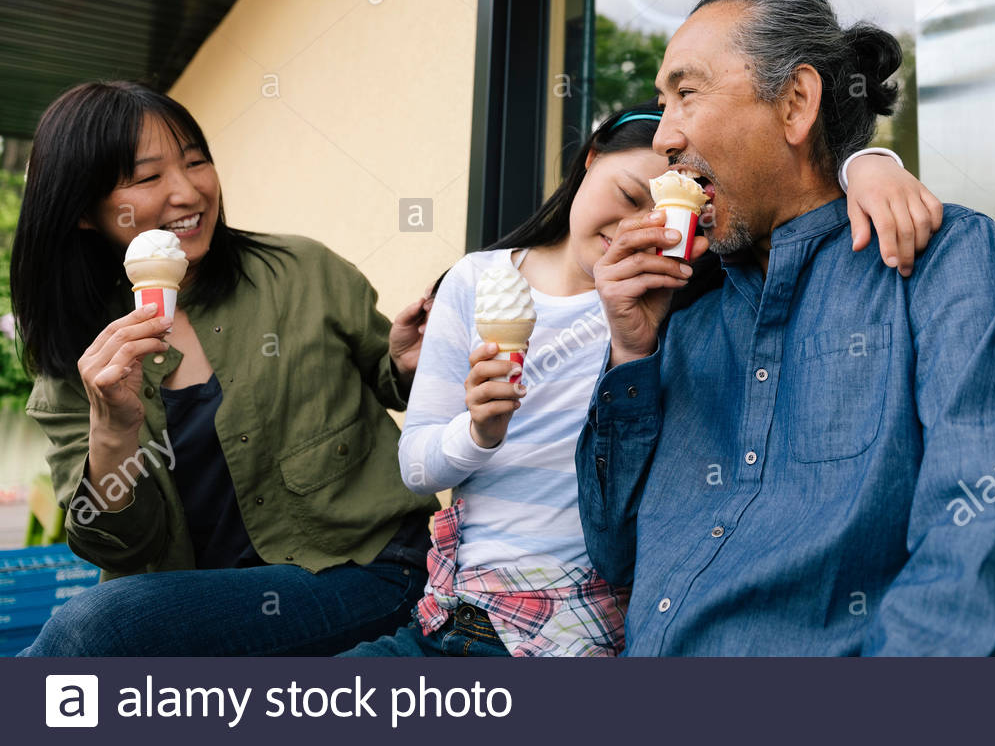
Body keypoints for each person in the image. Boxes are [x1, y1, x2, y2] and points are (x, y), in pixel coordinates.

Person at [339, 99, 944, 657]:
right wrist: (478, 431)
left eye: (664, 221)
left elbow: (786, 211)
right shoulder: (479, 282)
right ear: (590, 159)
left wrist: (866, 163)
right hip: (451, 610)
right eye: (629, 196)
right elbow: (417, 468)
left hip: (574, 630)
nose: (634, 232)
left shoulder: (671, 308)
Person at [579, 0, 995, 656]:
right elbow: (613, 553)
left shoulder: (944, 264)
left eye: (687, 94)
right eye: (662, 104)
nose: (663, 137)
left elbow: (975, 556)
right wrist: (631, 354)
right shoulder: (683, 315)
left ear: (796, 104)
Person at [12, 81, 439, 656]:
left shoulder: (302, 271)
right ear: (85, 212)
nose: (188, 192)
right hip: (206, 603)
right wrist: (113, 429)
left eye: (196, 161)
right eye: (147, 177)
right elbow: (119, 550)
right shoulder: (75, 362)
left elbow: (391, 379)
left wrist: (411, 361)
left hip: (367, 567)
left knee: (97, 628)